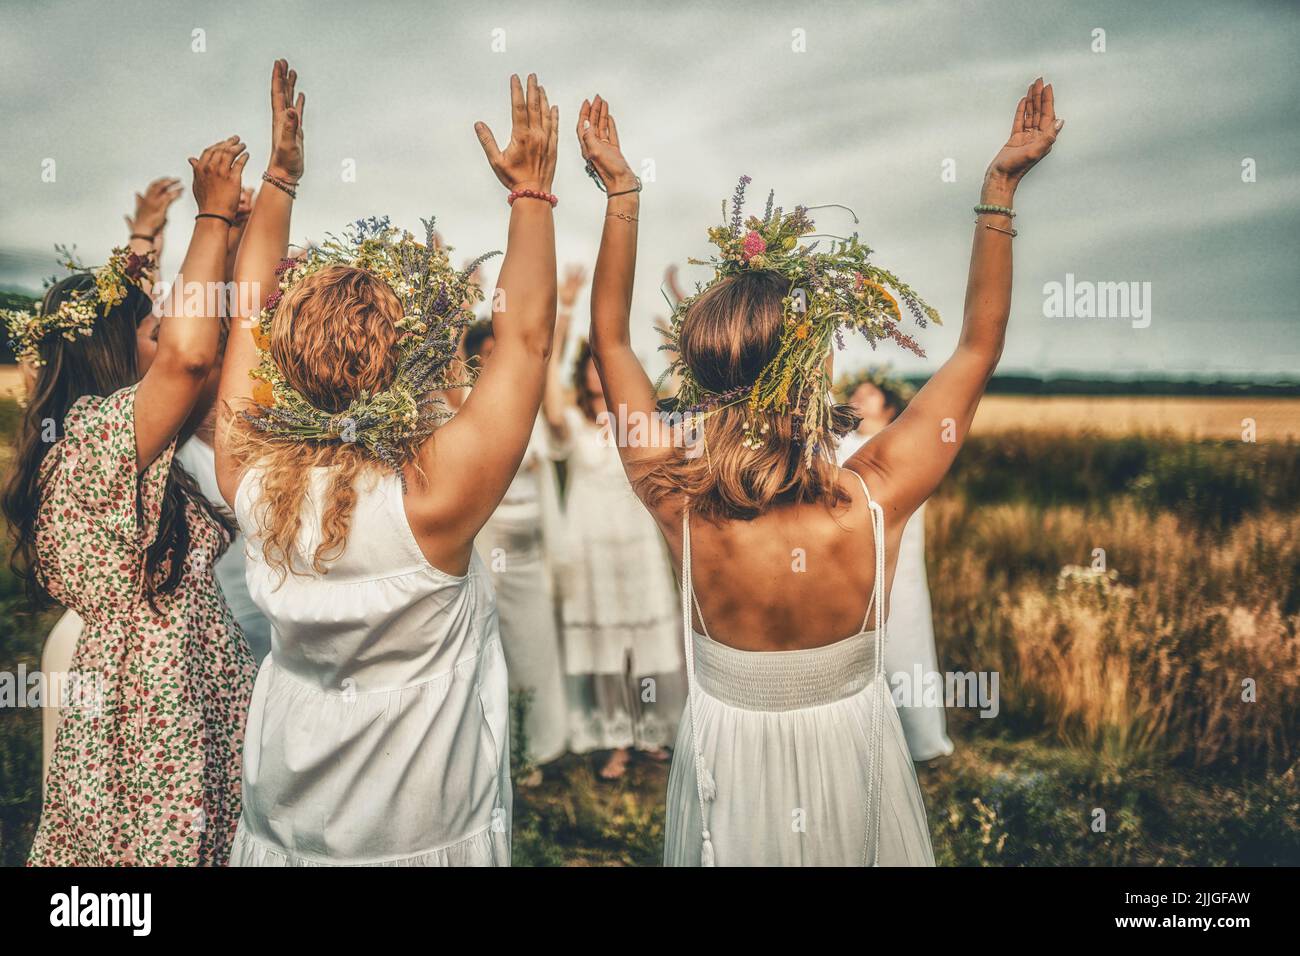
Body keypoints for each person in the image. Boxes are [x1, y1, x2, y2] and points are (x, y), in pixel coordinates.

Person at [574, 78, 1062, 865]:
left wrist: (621, 194)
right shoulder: (875, 498)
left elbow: (612, 342)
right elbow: (978, 345)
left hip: (729, 766)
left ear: (701, 378)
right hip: (851, 761)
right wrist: (997, 192)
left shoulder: (680, 504)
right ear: (808, 377)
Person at [215, 63, 558, 866]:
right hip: (423, 830)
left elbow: (243, 315)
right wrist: (532, 195)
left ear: (285, 365)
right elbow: (528, 338)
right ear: (404, 364)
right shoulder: (434, 503)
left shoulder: (250, 481)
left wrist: (279, 179)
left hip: (287, 821)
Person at [3, 137, 257, 865]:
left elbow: (206, 347)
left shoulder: (122, 444)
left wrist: (233, 237)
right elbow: (191, 356)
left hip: (182, 687)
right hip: (150, 710)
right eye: (152, 330)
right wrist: (209, 218)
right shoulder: (93, 443)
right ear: (118, 352)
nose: (169, 336)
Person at [542, 280, 684, 780]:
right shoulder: (572, 425)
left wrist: (671, 322)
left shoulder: (641, 422)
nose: (599, 374)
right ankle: (614, 738)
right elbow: (547, 386)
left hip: (637, 541)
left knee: (644, 636)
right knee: (603, 641)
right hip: (589, 542)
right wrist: (563, 310)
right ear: (583, 375)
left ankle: (651, 732)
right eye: (592, 366)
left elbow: (679, 389)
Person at [464, 274, 572, 777]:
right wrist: (458, 306)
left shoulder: (528, 410)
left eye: (498, 353)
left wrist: (562, 313)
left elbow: (546, 358)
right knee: (491, 649)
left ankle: (541, 744)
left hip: (532, 552)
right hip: (489, 555)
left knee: (535, 648)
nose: (492, 362)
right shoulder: (468, 412)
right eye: (483, 355)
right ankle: (499, 750)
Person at [837, 369, 954, 762]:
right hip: (846, 565)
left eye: (868, 394)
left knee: (904, 644)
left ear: (888, 405)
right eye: (854, 392)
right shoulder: (839, 443)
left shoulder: (902, 446)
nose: (858, 398)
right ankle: (867, 746)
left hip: (896, 560)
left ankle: (922, 741)